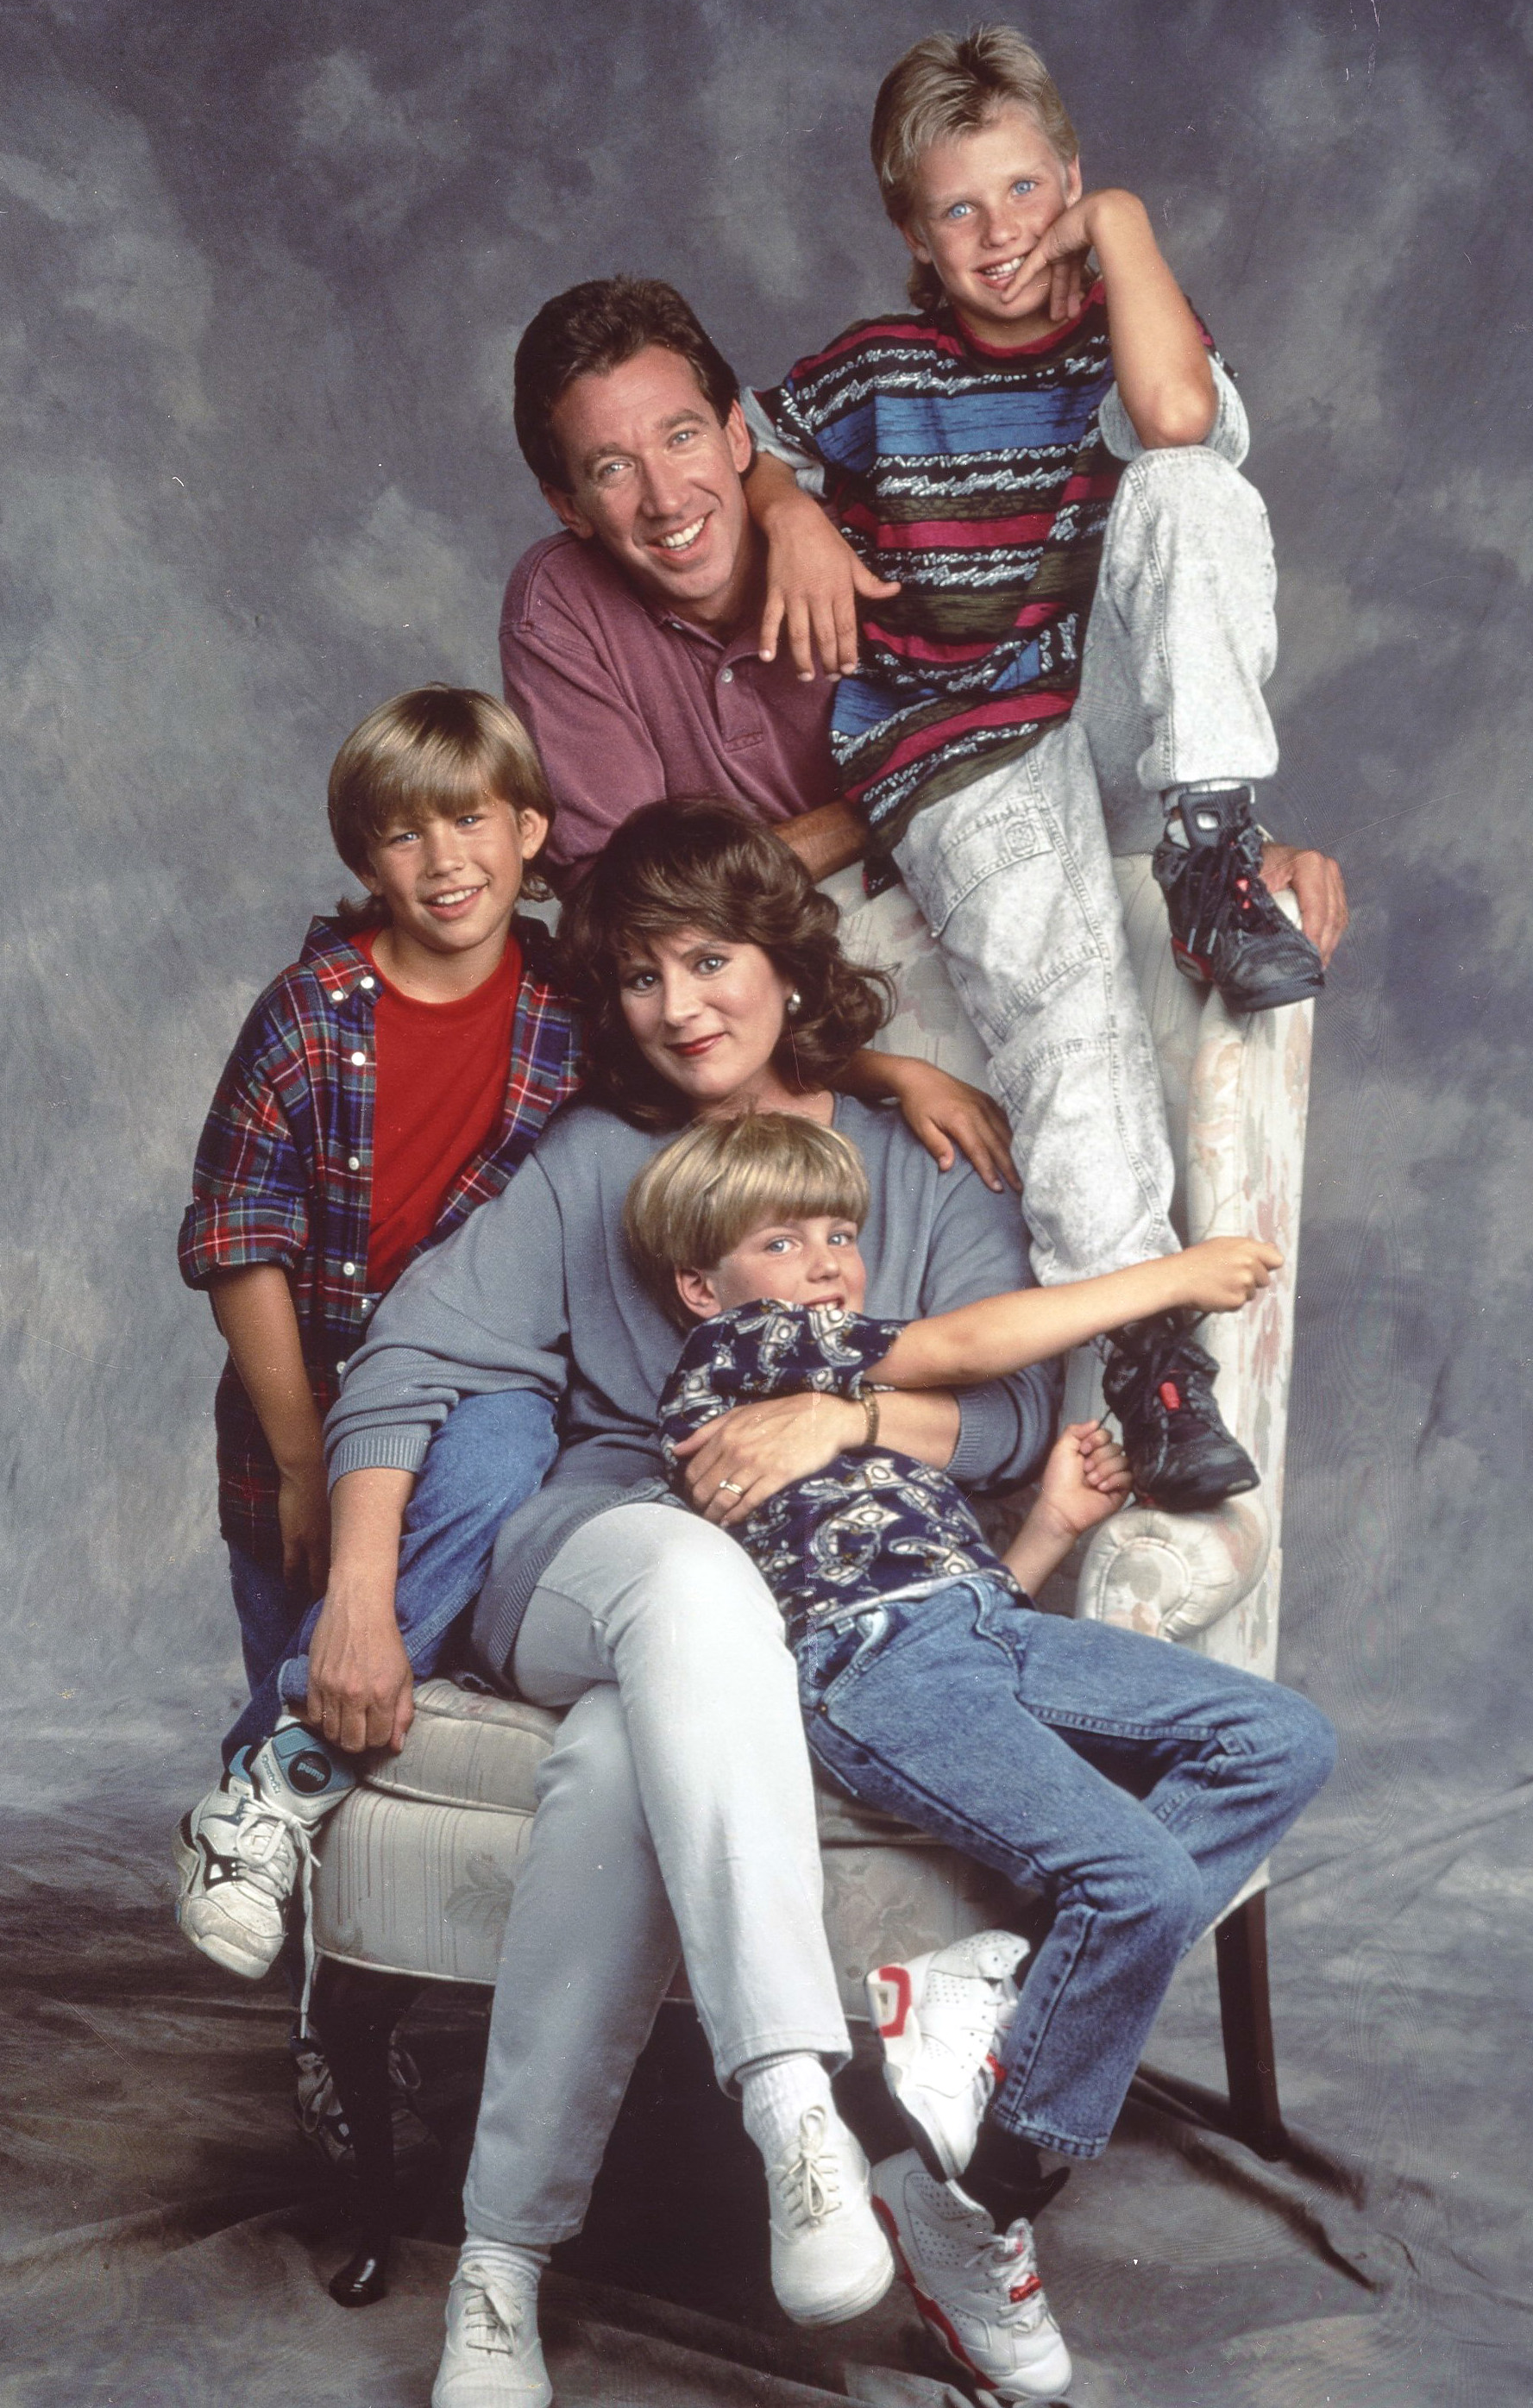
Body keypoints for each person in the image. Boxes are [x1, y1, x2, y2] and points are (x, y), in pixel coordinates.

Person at [318, 800, 1058, 2407]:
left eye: (711, 960)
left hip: (799, 1602)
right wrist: (357, 1599)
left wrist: (838, 1419)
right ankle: (798, 2106)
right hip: (594, 1552)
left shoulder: (914, 1162)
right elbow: (409, 1359)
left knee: (603, 1775)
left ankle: (499, 2266)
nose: (679, 1006)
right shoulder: (590, 1163)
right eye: (641, 977)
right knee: (683, 1568)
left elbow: (1007, 1417)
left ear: (790, 965)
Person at [502, 246, 1347, 1509]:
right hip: (874, 887)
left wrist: (1218, 817)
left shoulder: (872, 487)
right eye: (609, 468)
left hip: (1013, 783)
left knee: (1182, 489)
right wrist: (874, 1007)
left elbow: (1058, 643)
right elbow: (640, 914)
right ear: (568, 503)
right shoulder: (562, 604)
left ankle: (1208, 841)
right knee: (1006, 954)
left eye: (683, 438)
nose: (661, 493)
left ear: (739, 433)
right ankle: (1133, 1372)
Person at [626, 1108, 1335, 2400]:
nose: (825, 1262)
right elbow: (957, 1347)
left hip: (983, 1626)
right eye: (780, 1241)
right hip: (864, 1665)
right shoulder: (737, 1354)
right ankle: (985, 2203)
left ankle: (993, 1985)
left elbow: (954, 1585)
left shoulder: (846, 1405)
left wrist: (1049, 1530)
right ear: (700, 1285)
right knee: (1141, 1881)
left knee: (1278, 1732)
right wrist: (1171, 1280)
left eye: (840, 1234)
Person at [170, 687, 578, 2031]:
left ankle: (258, 1783)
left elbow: (736, 1056)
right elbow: (240, 1243)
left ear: (528, 830)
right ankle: (318, 2008)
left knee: (510, 1438)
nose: (445, 861)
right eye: (404, 836)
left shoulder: (573, 1009)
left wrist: (893, 1077)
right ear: (363, 862)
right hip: (300, 1409)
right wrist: (300, 1461)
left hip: (477, 1396)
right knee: (316, 1676)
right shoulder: (306, 1013)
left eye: (470, 821)